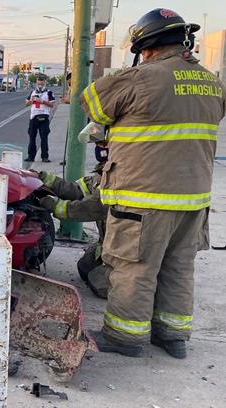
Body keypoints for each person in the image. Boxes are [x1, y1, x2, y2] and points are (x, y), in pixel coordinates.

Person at [80, 8, 226, 359]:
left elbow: (92, 104)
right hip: (193, 200)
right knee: (178, 267)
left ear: (146, 46)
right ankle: (172, 336)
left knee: (135, 269)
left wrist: (127, 76)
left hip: (144, 198)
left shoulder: (141, 79)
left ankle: (124, 337)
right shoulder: (211, 82)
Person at [36, 123, 110, 298]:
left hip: (124, 247)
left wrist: (53, 205)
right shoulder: (101, 175)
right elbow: (75, 190)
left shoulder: (119, 176)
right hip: (108, 243)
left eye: (102, 144)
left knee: (99, 284)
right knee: (84, 267)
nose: (99, 148)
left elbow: (93, 207)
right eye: (97, 144)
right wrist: (42, 178)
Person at [24, 75, 55, 162]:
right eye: (39, 83)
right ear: (36, 83)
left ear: (45, 82)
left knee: (44, 138)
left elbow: (52, 104)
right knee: (32, 137)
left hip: (44, 117)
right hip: (34, 117)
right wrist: (31, 100)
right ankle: (31, 156)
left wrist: (42, 101)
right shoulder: (33, 92)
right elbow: (26, 103)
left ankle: (45, 157)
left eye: (42, 83)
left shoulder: (49, 92)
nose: (40, 85)